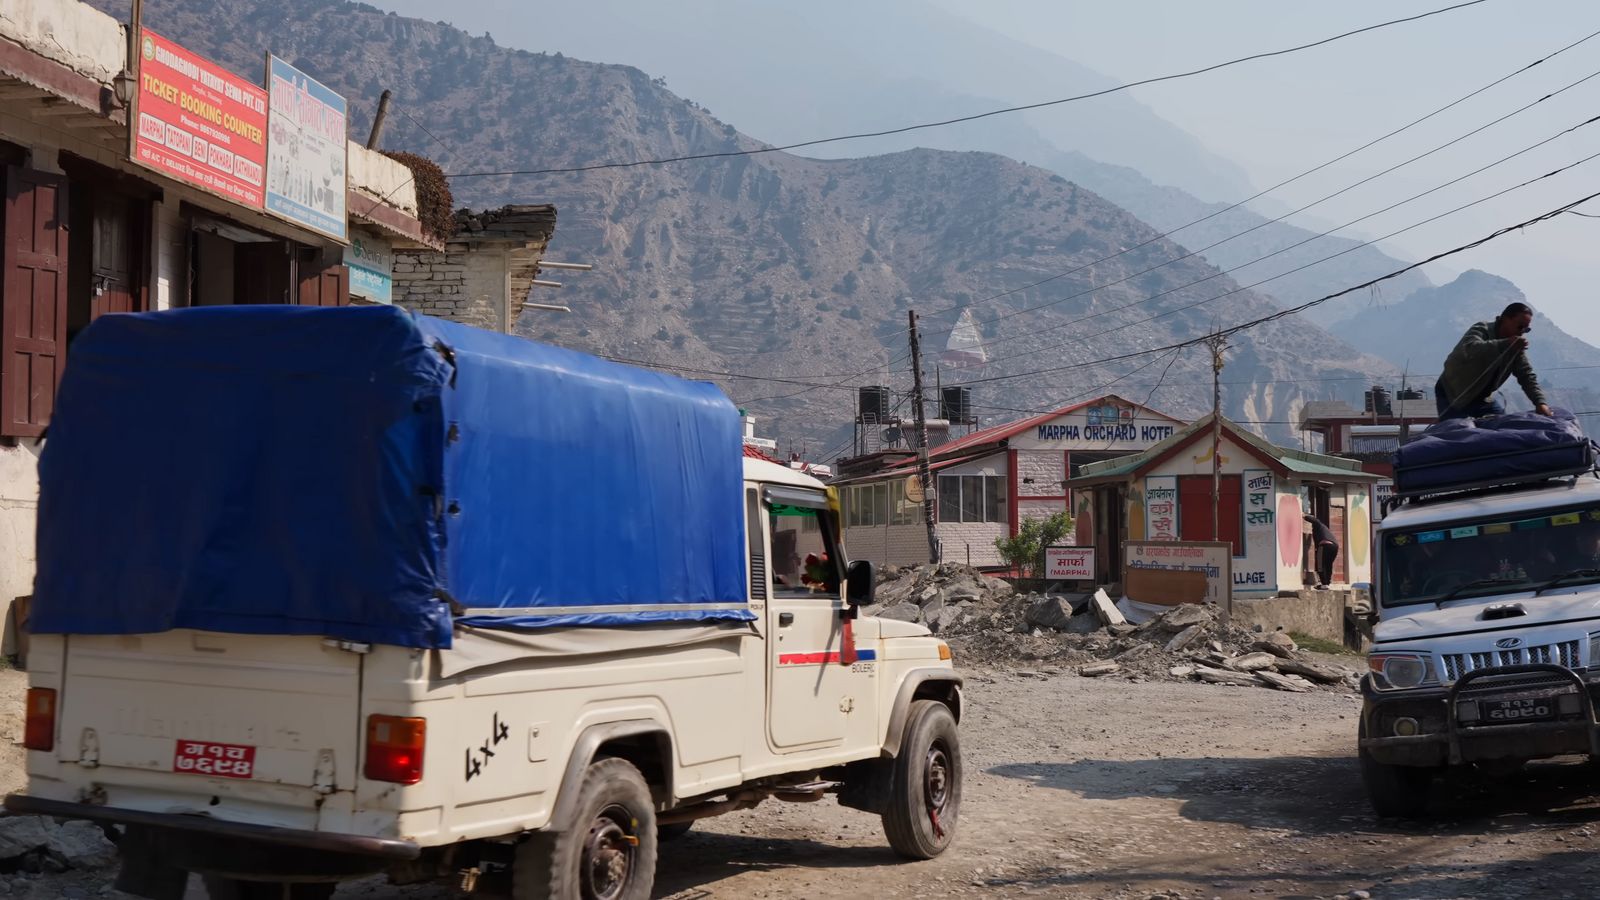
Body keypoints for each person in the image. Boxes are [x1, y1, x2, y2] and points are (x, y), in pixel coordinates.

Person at [1435, 301, 1553, 420]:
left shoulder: (1516, 347)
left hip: (1482, 399)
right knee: (1456, 433)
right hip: (1452, 394)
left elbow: (1526, 376)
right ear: (1505, 319)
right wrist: (1506, 344)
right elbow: (1470, 348)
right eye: (1519, 326)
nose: (1522, 332)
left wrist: (1540, 403)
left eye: (1526, 329)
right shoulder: (1483, 329)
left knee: (1503, 429)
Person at [1305, 514, 1339, 589]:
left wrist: (1305, 516)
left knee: (1320, 564)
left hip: (1325, 545)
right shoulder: (1323, 530)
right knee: (1328, 565)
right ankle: (1327, 583)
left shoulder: (1319, 525)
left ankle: (1324, 583)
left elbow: (1315, 521)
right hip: (1334, 546)